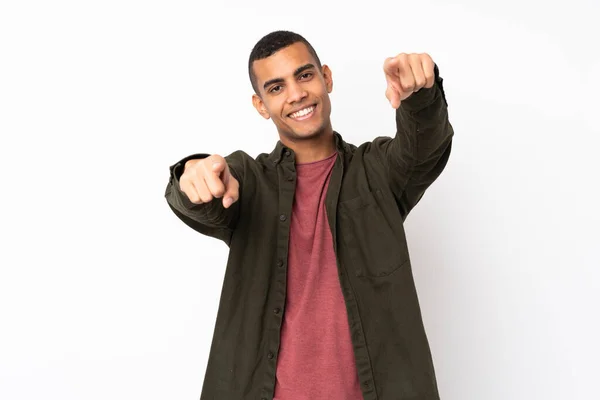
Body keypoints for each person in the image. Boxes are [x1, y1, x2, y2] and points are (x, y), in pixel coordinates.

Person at [164, 30, 454, 400]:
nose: (296, 94)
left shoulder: (377, 171)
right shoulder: (248, 181)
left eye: (304, 75)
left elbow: (425, 148)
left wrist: (421, 98)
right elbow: (203, 200)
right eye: (275, 87)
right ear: (260, 105)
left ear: (326, 77)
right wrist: (191, 178)